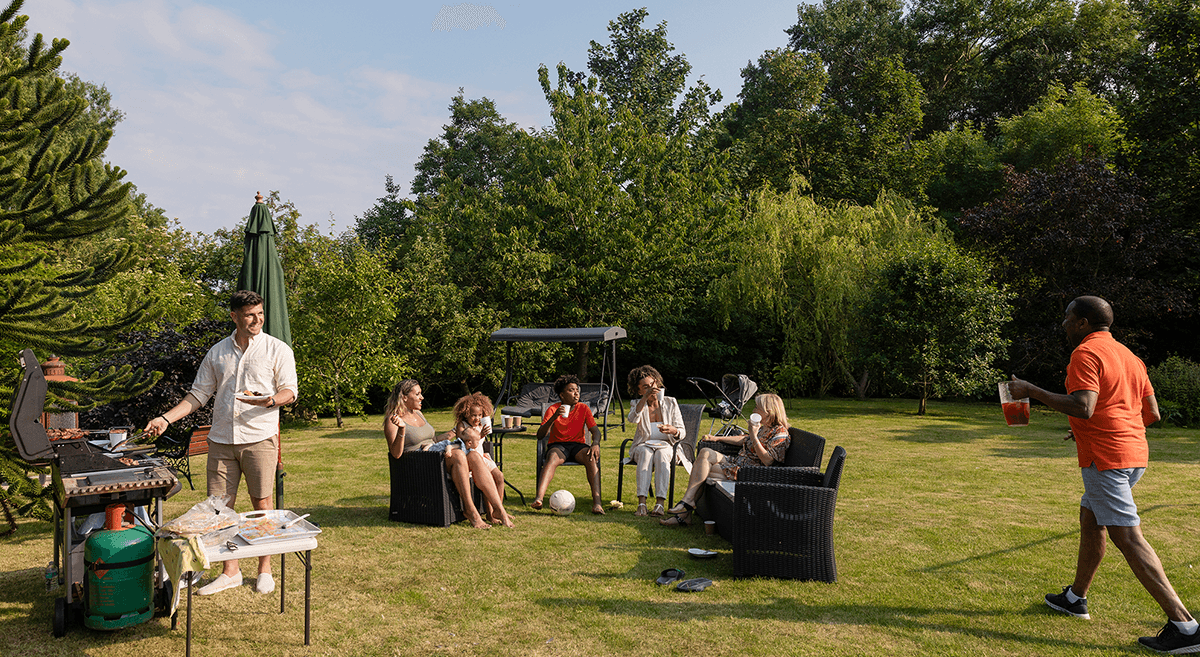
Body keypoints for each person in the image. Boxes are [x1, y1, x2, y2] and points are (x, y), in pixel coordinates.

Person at [1009, 296, 1198, 654]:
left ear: (1082, 322)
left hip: (1106, 460)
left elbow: (1084, 406)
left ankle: (1185, 626)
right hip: (1134, 456)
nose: (1063, 324)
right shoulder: (1130, 357)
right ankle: (1075, 598)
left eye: (1067, 317)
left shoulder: (1085, 354)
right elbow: (1151, 413)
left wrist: (1031, 391)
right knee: (1090, 518)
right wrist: (1097, 430)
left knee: (1128, 537)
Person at [144, 290, 297, 596]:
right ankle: (231, 571)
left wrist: (271, 400)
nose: (257, 320)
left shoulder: (277, 349)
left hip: (260, 438)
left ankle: (264, 568)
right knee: (218, 509)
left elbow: (289, 391)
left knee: (261, 505)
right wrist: (166, 418)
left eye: (260, 313)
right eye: (250, 315)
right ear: (234, 317)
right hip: (221, 441)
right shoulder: (217, 353)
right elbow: (198, 396)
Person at [660, 393, 790, 527]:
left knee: (702, 472)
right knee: (705, 453)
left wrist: (754, 435)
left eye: (757, 407)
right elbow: (744, 439)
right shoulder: (764, 427)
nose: (754, 410)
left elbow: (768, 461)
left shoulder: (780, 433)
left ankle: (684, 511)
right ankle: (687, 502)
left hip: (749, 472)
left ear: (768, 412)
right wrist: (717, 438)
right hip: (738, 462)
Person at [383, 380, 491, 530]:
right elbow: (395, 454)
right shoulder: (393, 419)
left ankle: (496, 509)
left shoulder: (419, 414)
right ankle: (471, 511)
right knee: (459, 455)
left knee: (474, 456)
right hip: (417, 464)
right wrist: (402, 429)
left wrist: (449, 434)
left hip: (433, 454)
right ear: (405, 397)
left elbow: (431, 440)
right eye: (417, 394)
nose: (422, 397)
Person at [531, 374, 605, 514]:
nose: (576, 393)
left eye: (577, 390)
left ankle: (597, 503)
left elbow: (596, 431)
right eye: (571, 390)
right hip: (558, 446)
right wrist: (554, 417)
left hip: (578, 446)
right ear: (562, 395)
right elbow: (540, 435)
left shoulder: (583, 408)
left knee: (591, 457)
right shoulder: (553, 409)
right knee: (552, 458)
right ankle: (538, 499)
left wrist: (595, 443)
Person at [625, 365, 686, 517]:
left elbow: (682, 432)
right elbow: (632, 418)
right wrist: (644, 399)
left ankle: (660, 504)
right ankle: (641, 504)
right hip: (643, 445)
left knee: (662, 453)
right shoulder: (637, 404)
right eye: (645, 387)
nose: (652, 389)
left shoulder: (670, 403)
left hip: (667, 445)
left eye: (653, 385)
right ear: (639, 391)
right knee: (645, 453)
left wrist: (674, 431)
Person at [450, 392, 514, 528]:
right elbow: (463, 438)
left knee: (500, 477)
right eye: (473, 415)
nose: (477, 418)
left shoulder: (481, 425)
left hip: (482, 456)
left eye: (479, 415)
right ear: (466, 413)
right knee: (486, 478)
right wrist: (479, 435)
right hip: (469, 457)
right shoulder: (462, 425)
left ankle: (499, 509)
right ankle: (490, 513)